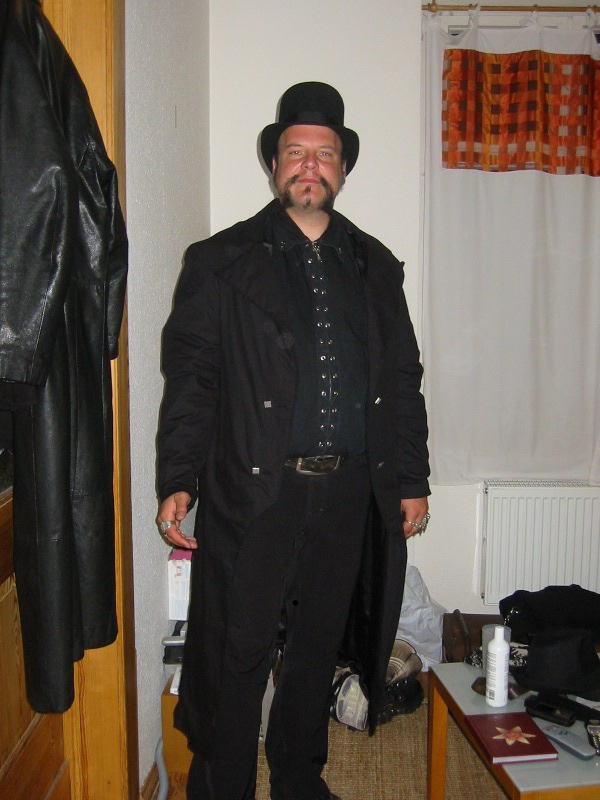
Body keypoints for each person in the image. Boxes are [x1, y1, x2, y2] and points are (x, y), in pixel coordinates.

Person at [156, 81, 430, 800]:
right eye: (296, 152)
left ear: (343, 169)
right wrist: (178, 476)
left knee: (316, 647)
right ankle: (223, 787)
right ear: (275, 165)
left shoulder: (376, 266)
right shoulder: (220, 261)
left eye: (325, 154)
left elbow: (402, 378)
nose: (310, 165)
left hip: (348, 490)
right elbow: (192, 378)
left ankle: (300, 779)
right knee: (237, 652)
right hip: (257, 491)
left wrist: (411, 478)